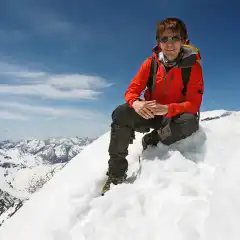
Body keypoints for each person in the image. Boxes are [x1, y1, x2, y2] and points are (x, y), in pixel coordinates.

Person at [104, 18, 204, 189]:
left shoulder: (192, 67)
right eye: (164, 39)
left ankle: (153, 138)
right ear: (158, 42)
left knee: (190, 122)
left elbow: (193, 104)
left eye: (175, 38)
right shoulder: (150, 64)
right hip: (150, 112)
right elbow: (131, 91)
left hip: (173, 116)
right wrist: (136, 103)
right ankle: (116, 174)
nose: (169, 44)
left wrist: (169, 108)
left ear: (184, 41)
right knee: (121, 113)